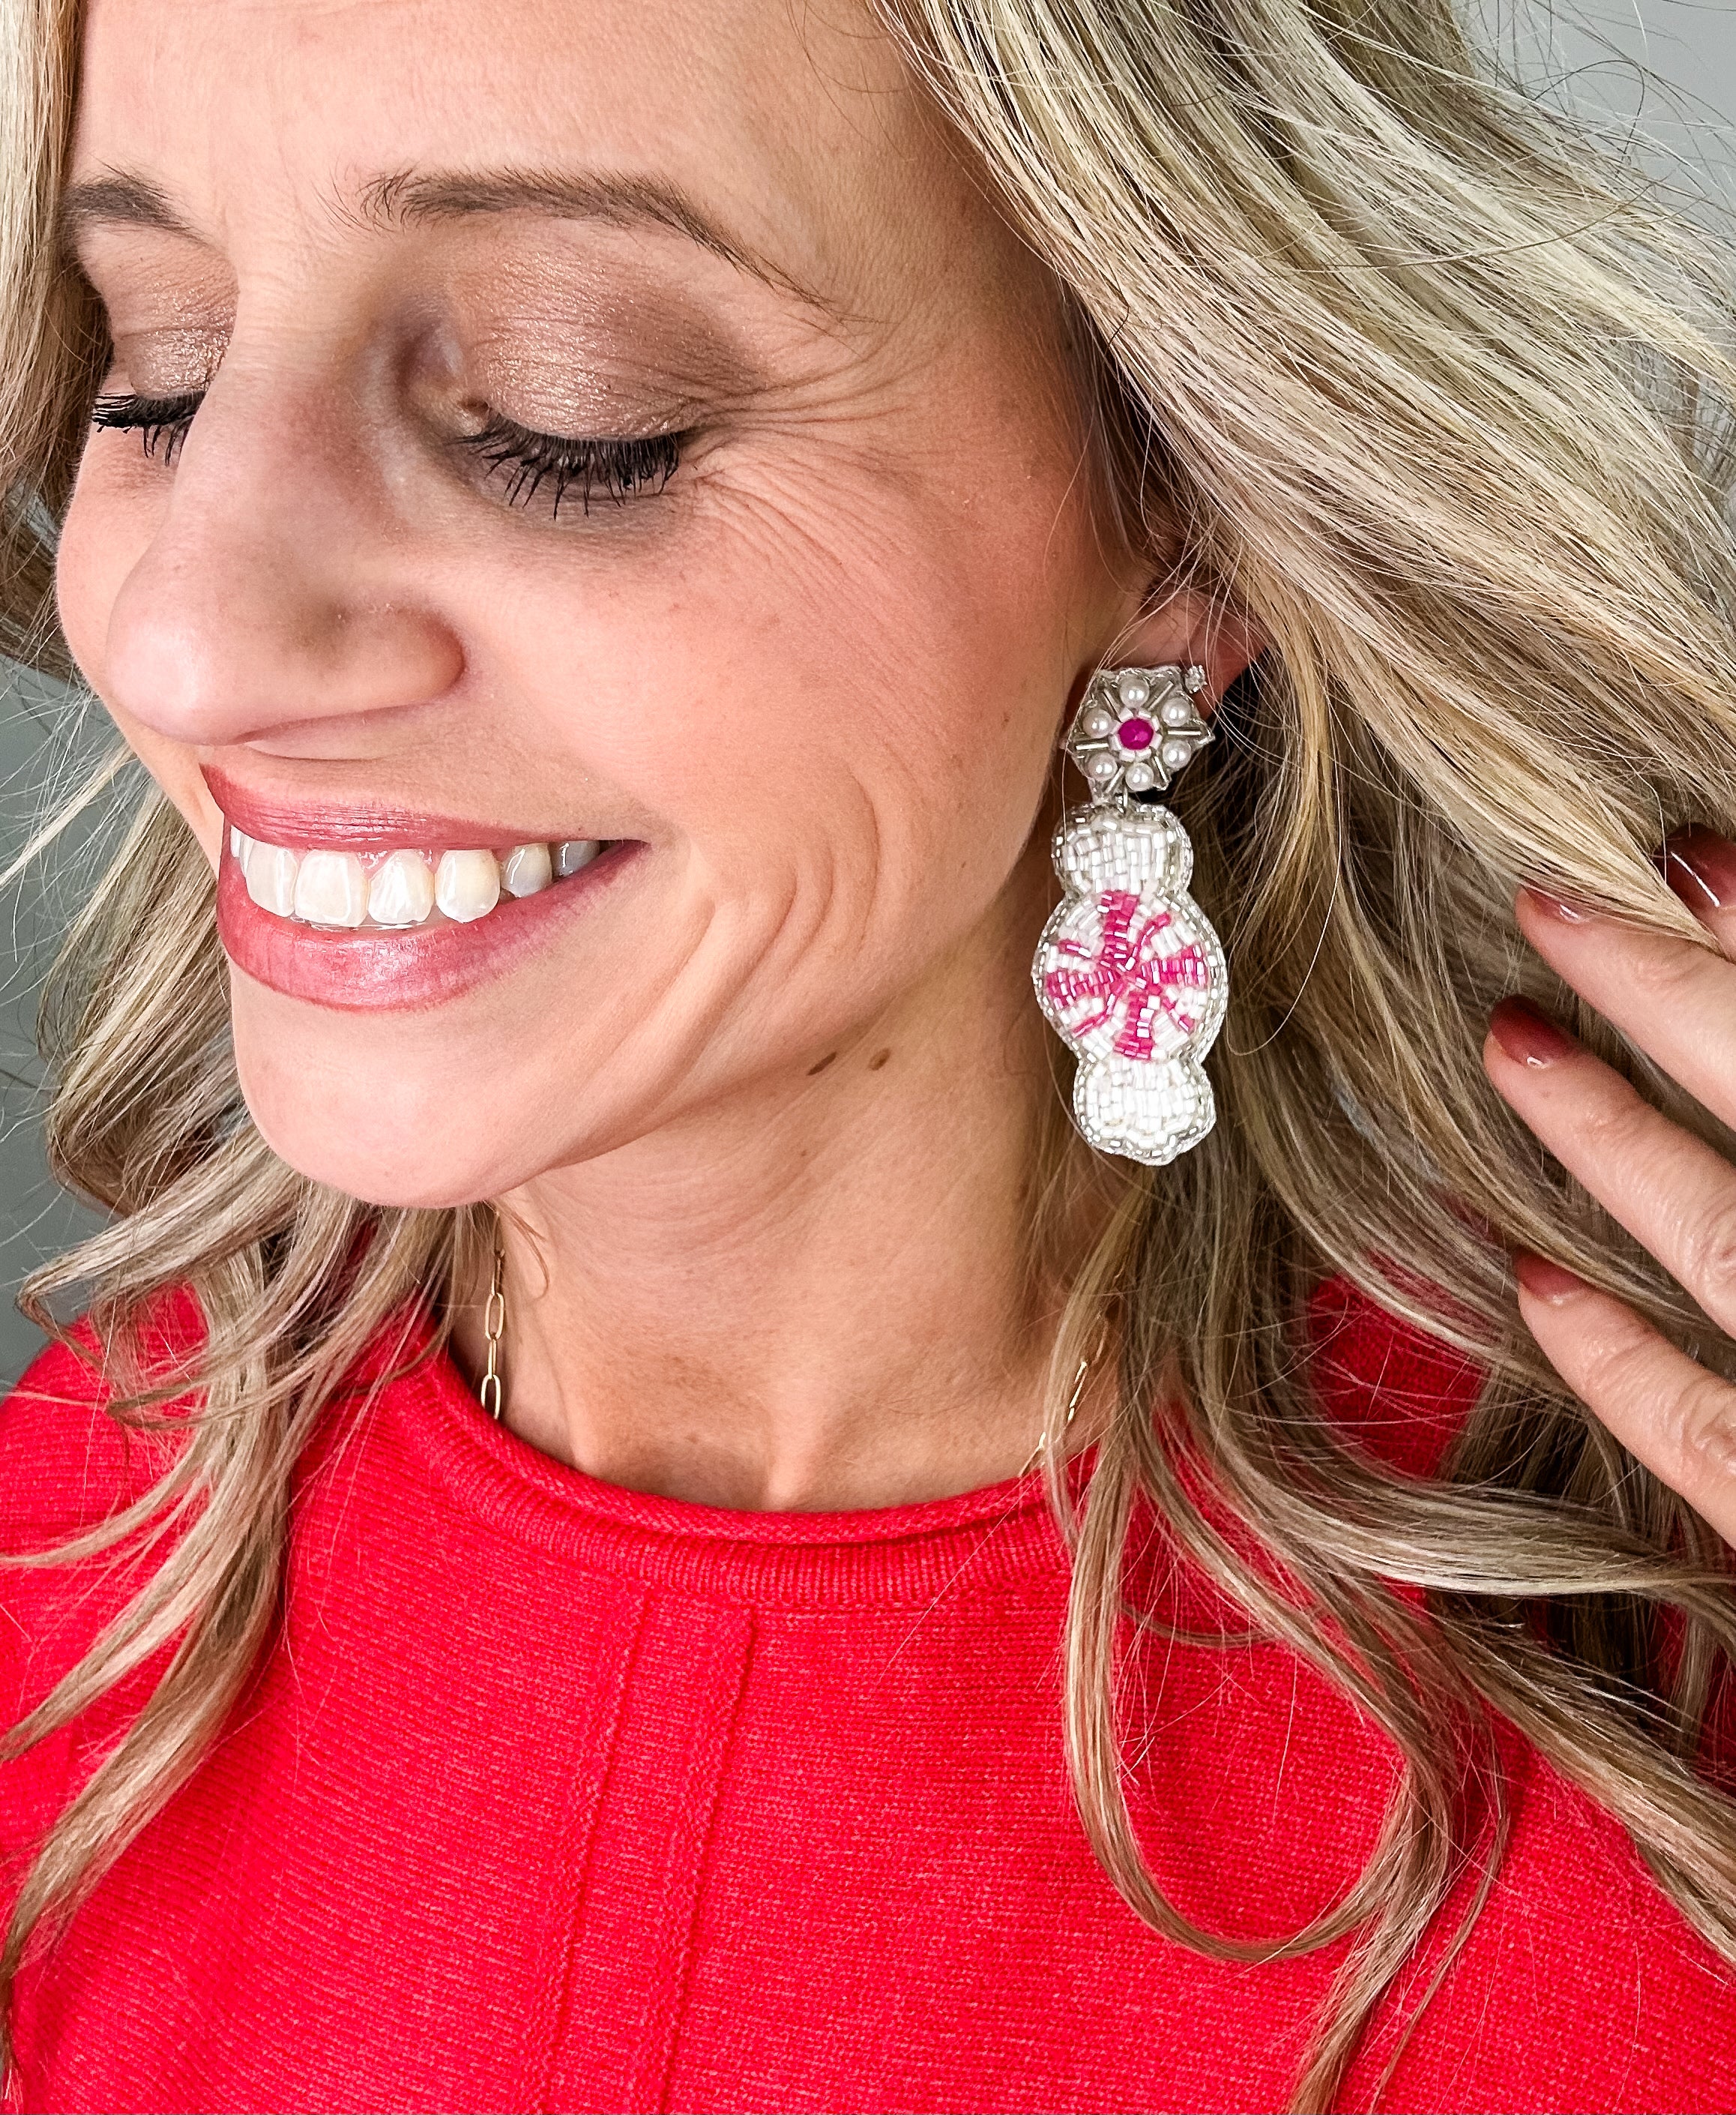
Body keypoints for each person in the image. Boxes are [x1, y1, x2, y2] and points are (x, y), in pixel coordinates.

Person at [1, 0, 1735, 2106]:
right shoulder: (71, 1559)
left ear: (1184, 500)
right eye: (157, 377)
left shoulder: (1654, 1692)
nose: (184, 638)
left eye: (571, 416)